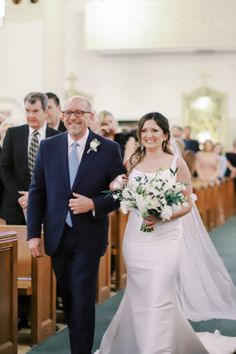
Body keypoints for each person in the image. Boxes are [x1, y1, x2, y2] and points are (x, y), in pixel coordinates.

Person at [95, 112, 236, 354]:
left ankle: (158, 349)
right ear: (139, 134)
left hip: (167, 236)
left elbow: (187, 203)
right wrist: (116, 187)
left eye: (154, 131)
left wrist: (163, 214)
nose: (149, 135)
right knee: (140, 292)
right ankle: (137, 343)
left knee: (160, 291)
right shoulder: (133, 162)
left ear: (165, 135)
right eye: (145, 131)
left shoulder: (176, 163)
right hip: (137, 238)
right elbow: (121, 190)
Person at [27, 96, 126, 354]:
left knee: (82, 298)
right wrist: (33, 235)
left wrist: (93, 204)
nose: (73, 117)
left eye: (79, 112)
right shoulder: (48, 146)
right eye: (68, 113)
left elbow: (118, 194)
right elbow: (37, 191)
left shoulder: (107, 148)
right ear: (61, 115)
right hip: (58, 235)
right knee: (69, 297)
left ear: (89, 116)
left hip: (89, 235)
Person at [0, 92, 60, 225]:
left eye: (35, 111)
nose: (30, 116)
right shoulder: (13, 134)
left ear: (45, 111)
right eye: (27, 111)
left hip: (47, 206)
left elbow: (59, 174)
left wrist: (35, 196)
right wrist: (21, 196)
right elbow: (4, 169)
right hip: (16, 207)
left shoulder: (59, 138)